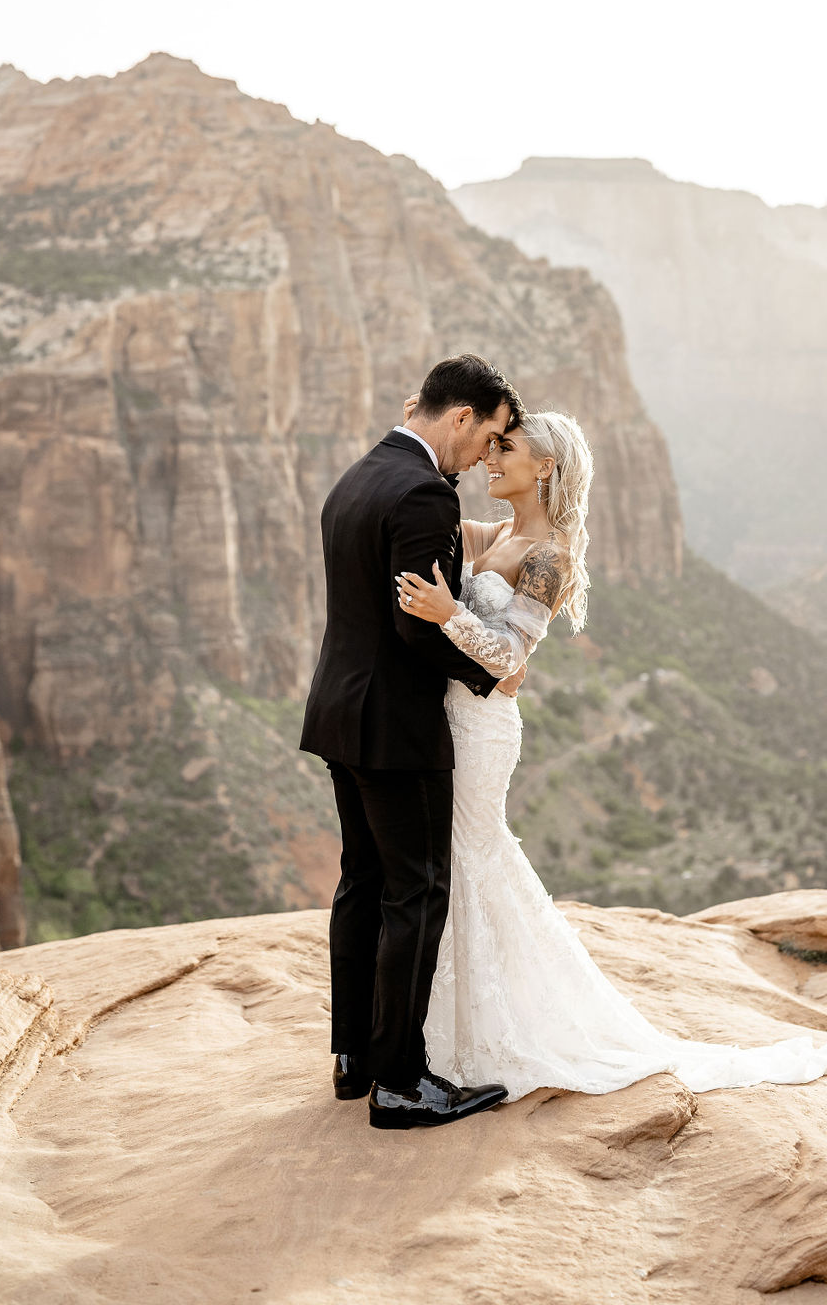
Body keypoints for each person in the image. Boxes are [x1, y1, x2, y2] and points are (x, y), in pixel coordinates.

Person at [396, 407, 827, 1100]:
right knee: (465, 862)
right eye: (490, 446)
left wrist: (451, 615)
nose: (490, 459)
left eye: (505, 449)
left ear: (545, 468)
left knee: (470, 859)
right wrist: (419, 428)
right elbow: (423, 511)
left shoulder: (548, 558)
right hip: (453, 722)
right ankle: (455, 1030)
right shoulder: (496, 532)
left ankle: (477, 1036)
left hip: (484, 730)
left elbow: (507, 658)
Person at [299, 353, 527, 1129]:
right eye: (488, 435)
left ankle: (353, 1056)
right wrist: (490, 676)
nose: (484, 455)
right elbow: (413, 626)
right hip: (396, 727)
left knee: (361, 880)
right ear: (461, 416)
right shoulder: (425, 492)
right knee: (416, 890)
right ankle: (401, 1081)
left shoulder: (360, 475)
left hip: (338, 712)